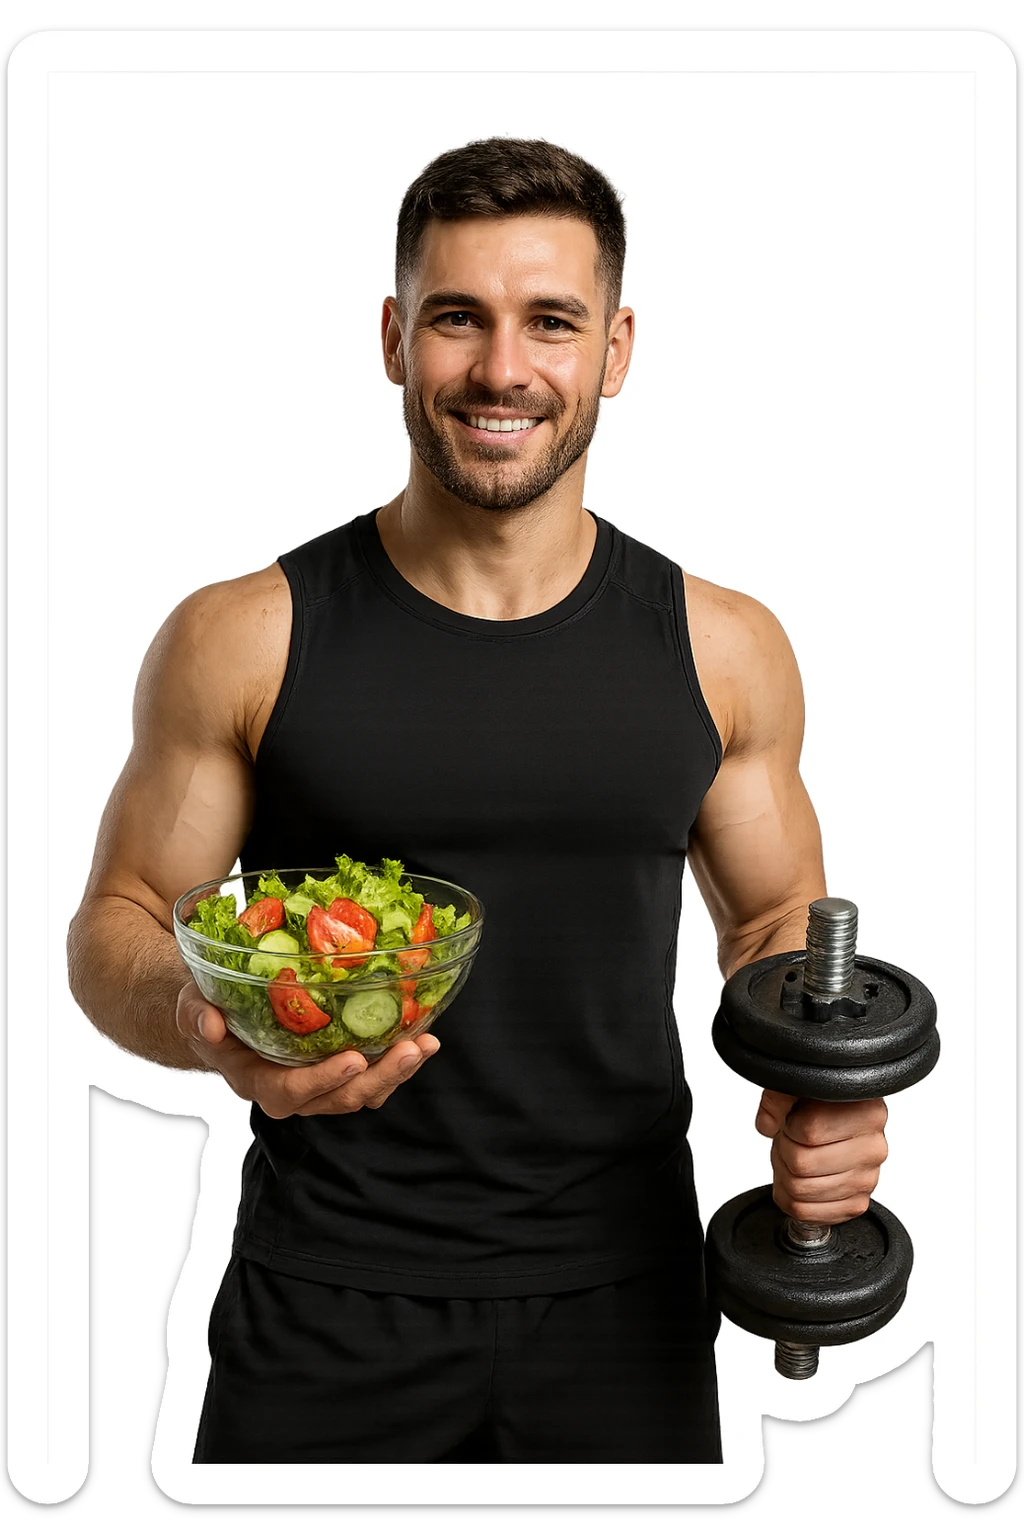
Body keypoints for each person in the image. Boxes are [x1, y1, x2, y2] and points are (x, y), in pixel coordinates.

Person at [67, 137, 889, 1465]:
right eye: (459, 318)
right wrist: (213, 1020)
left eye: (550, 323)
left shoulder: (724, 648)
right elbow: (116, 925)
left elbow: (777, 920)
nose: (504, 369)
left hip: (625, 1298)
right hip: (324, 1299)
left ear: (614, 350)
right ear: (396, 339)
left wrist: (826, 1094)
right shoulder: (245, 636)